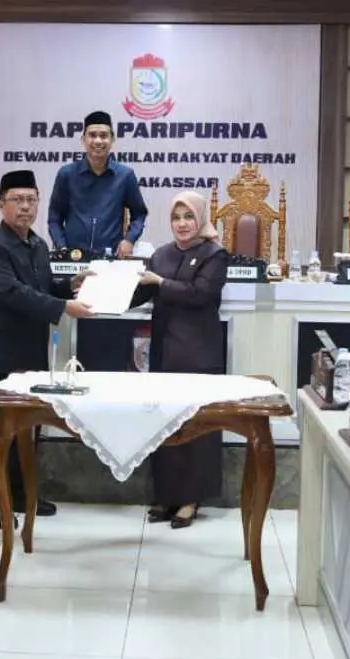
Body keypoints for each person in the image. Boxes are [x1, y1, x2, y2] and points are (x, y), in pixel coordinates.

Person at [0, 169, 95, 529]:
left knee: (27, 427)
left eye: (31, 199)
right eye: (17, 200)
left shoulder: (39, 245)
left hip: (31, 355)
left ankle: (19, 492)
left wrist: (69, 285)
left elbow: (41, 286)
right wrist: (64, 307)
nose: (25, 207)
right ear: (1, 204)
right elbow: (12, 292)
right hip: (0, 353)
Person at [129, 190, 229, 528]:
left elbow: (201, 295)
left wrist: (161, 282)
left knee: (196, 426)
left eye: (188, 217)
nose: (182, 224)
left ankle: (190, 499)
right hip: (165, 350)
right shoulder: (160, 255)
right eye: (176, 217)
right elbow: (140, 292)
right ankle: (167, 495)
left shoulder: (215, 254)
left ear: (200, 219)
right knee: (165, 423)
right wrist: (101, 288)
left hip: (199, 353)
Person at [47, 110, 149, 258]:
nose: (98, 141)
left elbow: (139, 214)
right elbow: (54, 218)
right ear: (83, 139)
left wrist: (129, 240)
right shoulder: (66, 174)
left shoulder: (125, 176)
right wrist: (61, 247)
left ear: (112, 139)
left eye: (103, 135)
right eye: (92, 135)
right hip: (74, 258)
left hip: (110, 258)